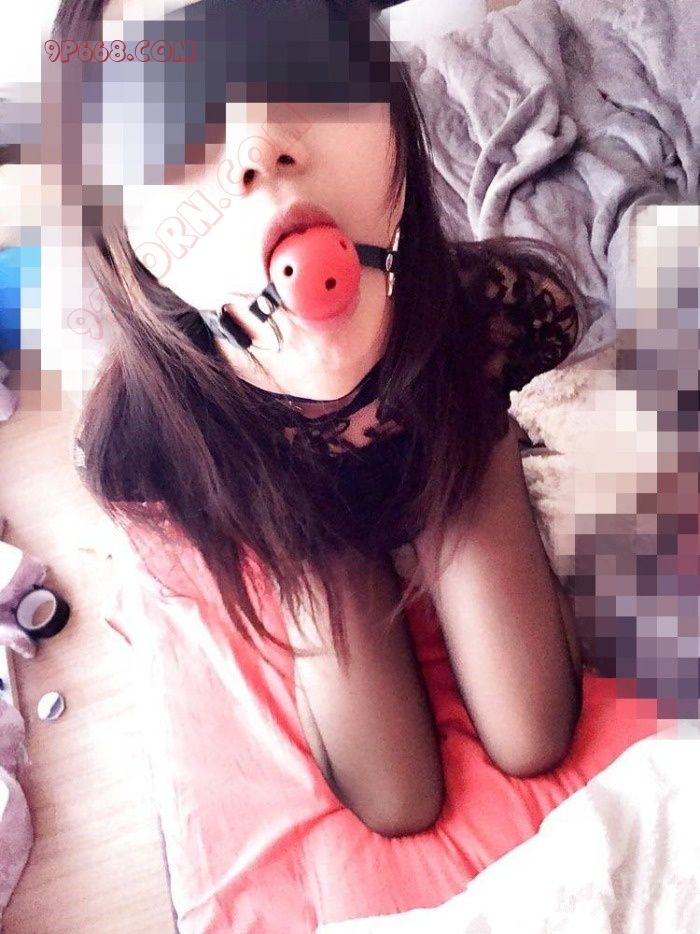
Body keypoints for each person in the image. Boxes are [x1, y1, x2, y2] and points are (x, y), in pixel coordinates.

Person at [60, 0, 586, 838]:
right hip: (298, 516)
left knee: (532, 734)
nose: (258, 146)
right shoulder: (147, 436)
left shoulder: (492, 312)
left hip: (448, 446)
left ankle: (483, 476)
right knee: (396, 798)